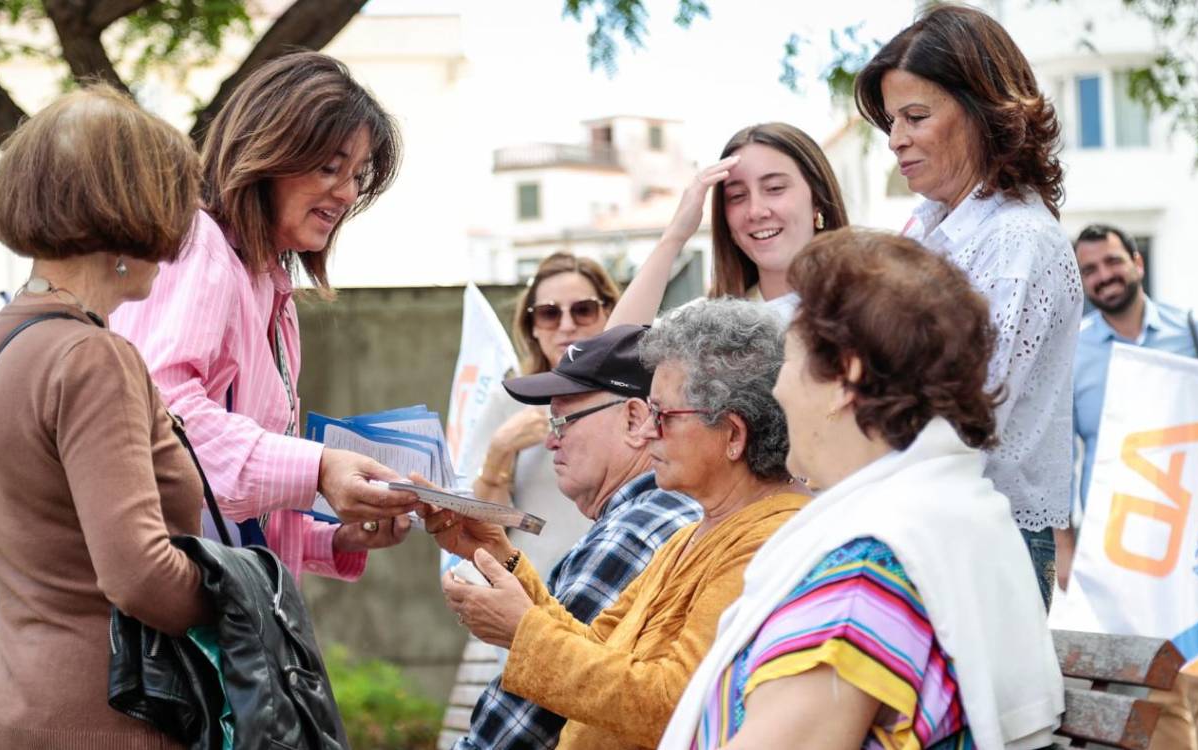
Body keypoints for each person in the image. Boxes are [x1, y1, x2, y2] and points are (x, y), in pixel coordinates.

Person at [658, 228, 1064, 750]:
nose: (777, 388)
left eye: (787, 359)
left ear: (845, 378)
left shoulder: (864, 574)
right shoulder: (949, 516)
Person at [0, 87, 213, 748]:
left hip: (19, 705)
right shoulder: (92, 357)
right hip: (116, 715)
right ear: (129, 211)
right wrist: (238, 602)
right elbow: (140, 574)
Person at [427, 299, 807, 750]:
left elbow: (674, 705)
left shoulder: (765, 543)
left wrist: (522, 631)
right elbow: (596, 643)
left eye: (662, 416)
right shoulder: (695, 534)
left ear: (733, 435)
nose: (646, 433)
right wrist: (502, 559)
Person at [111, 51, 417, 581]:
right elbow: (161, 418)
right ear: (267, 152)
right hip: (168, 608)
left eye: (357, 176)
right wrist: (318, 470)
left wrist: (338, 535)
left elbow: (240, 495)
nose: (345, 193)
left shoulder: (268, 285)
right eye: (329, 167)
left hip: (217, 601)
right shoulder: (198, 243)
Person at [854, 3, 1083, 606]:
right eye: (890, 122)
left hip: (983, 544)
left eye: (916, 116)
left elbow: (963, 421)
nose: (897, 139)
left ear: (985, 111)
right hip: (917, 529)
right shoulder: (928, 228)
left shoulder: (1017, 239)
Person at [454, 325, 702, 750]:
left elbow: (530, 709)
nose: (551, 440)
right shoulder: (665, 511)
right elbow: (575, 646)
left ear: (636, 419)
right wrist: (502, 556)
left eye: (563, 420)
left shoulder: (632, 532)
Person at [1070, 223, 1198, 750]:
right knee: (1157, 692)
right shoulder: (1075, 356)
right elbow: (1063, 457)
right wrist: (1067, 555)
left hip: (1197, 540)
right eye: (1090, 270)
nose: (1103, 276)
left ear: (1137, 262)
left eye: (1111, 262)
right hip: (1124, 556)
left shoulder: (1197, 332)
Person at [465, 251, 622, 575]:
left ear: (608, 313)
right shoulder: (507, 402)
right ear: (533, 327)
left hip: (623, 596)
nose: (567, 325)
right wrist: (500, 451)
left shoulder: (641, 399)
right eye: (549, 314)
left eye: (583, 310)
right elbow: (481, 531)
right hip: (530, 596)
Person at [607, 122, 848, 328]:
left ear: (817, 198)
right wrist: (673, 238)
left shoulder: (869, 306)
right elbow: (608, 359)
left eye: (774, 189)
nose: (756, 211)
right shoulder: (708, 325)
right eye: (737, 196)